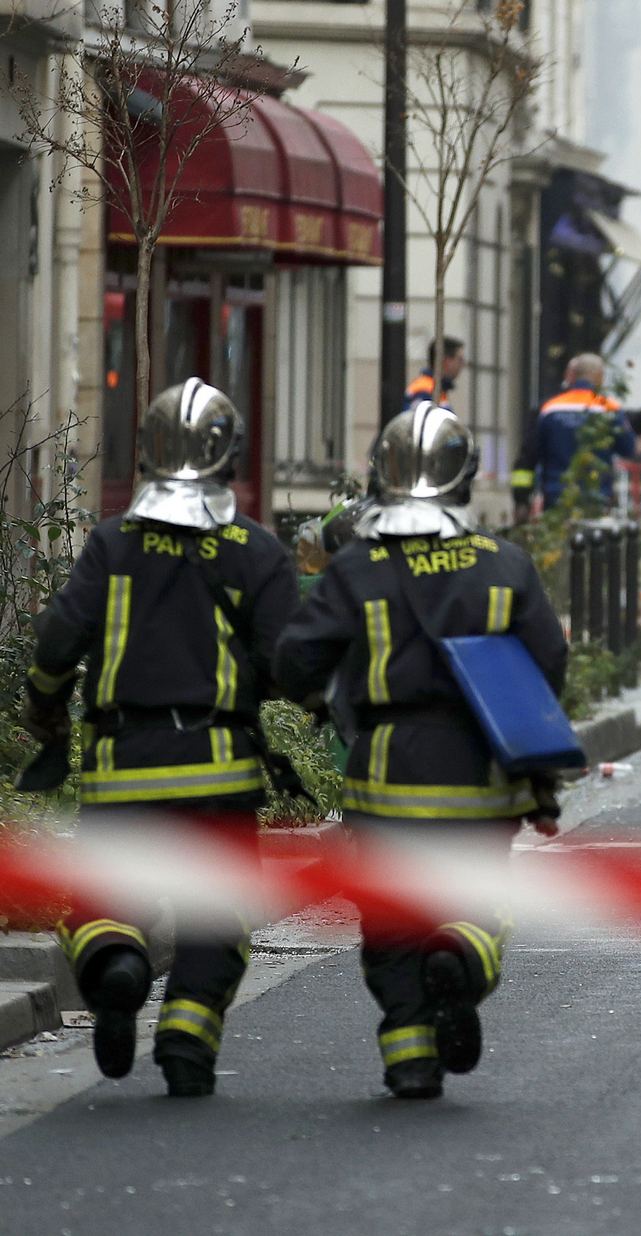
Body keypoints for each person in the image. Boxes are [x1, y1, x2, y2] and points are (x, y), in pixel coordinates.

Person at [274, 403, 568, 1101]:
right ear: (465, 477)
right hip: (479, 772)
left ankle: (410, 1058)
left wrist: (326, 698)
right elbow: (549, 662)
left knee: (390, 920)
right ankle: (461, 954)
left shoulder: (358, 566)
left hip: (386, 772)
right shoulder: (504, 564)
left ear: (382, 474)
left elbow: (294, 659)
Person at [24, 379, 299, 1097]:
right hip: (218, 770)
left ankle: (119, 966)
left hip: (122, 766)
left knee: (103, 903)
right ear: (230, 457)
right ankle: (186, 1038)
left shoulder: (112, 542)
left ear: (147, 453)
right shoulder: (257, 552)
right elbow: (286, 664)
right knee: (218, 918)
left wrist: (44, 708)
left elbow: (58, 641)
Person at [510, 353, 641, 522]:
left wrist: (521, 500)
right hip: (596, 502)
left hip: (556, 501)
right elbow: (628, 445)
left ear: (572, 375)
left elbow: (527, 459)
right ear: (600, 377)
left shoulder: (548, 409)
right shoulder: (608, 409)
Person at [403, 337, 465, 416]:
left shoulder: (435, 388)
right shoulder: (425, 391)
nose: (462, 365)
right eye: (460, 360)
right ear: (446, 360)